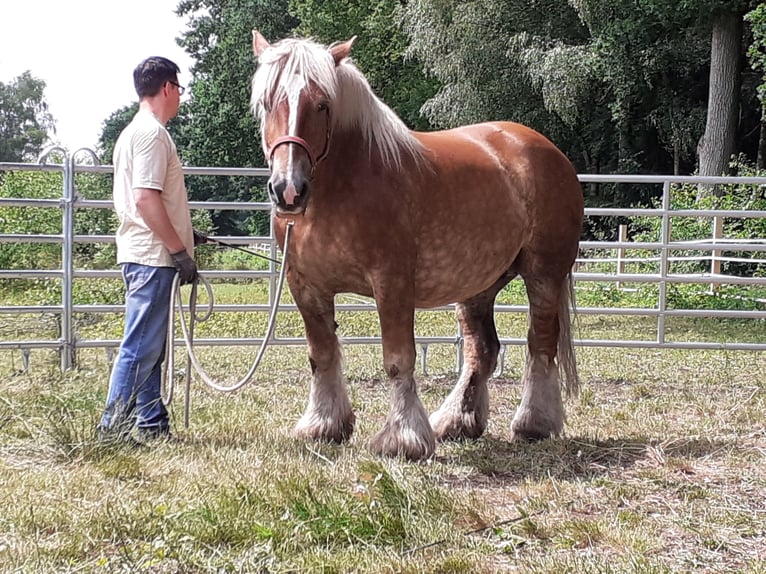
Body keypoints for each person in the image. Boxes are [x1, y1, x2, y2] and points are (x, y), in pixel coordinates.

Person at [99, 56, 203, 444]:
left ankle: (151, 421)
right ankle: (113, 429)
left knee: (149, 346)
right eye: (179, 89)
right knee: (140, 347)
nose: (179, 97)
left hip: (143, 252)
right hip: (152, 257)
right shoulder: (152, 135)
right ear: (167, 88)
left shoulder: (132, 133)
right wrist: (179, 251)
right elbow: (145, 199)